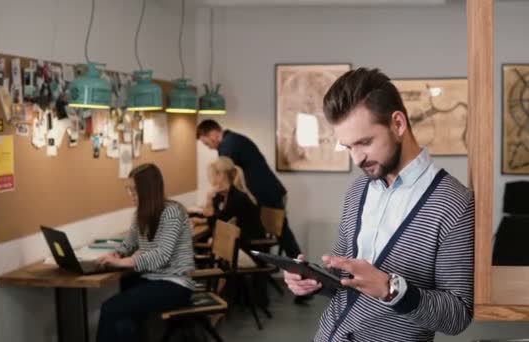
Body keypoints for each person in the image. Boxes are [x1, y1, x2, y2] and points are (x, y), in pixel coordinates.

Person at [284, 68, 475, 342]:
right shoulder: (358, 189)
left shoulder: (454, 203)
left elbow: (457, 314)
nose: (357, 159)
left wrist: (391, 289)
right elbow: (344, 280)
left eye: (364, 142)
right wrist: (313, 281)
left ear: (398, 124)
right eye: (348, 147)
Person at [196, 119, 310, 304]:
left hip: (267, 196)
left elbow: (225, 173)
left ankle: (303, 283)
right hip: (269, 193)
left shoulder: (228, 145)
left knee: (285, 240)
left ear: (213, 134)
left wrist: (213, 199)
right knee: (285, 240)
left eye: (206, 143)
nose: (209, 147)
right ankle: (294, 283)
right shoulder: (234, 140)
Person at [96, 163, 195, 342]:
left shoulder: (172, 211)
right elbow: (130, 242)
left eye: (134, 190)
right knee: (123, 318)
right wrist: (117, 254)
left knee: (110, 309)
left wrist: (125, 262)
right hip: (151, 278)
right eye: (128, 190)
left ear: (148, 190)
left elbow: (162, 254)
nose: (130, 195)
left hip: (174, 283)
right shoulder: (141, 213)